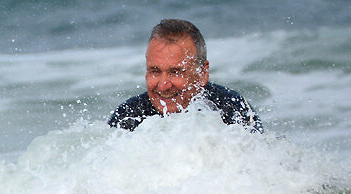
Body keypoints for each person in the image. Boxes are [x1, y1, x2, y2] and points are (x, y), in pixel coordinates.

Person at [108, 19, 263, 133]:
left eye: (175, 72)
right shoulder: (128, 116)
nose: (163, 85)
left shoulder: (232, 110)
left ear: (202, 73)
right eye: (155, 71)